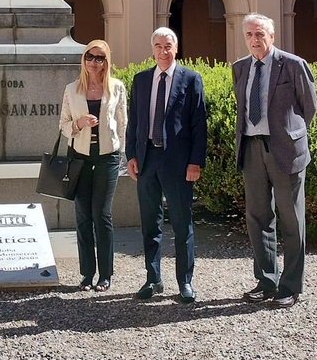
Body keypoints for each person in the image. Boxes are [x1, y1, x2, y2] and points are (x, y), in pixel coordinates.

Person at [232, 13, 317, 309]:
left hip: (285, 152)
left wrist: (289, 135)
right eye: (250, 35)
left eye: (260, 34)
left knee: (291, 219)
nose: (255, 40)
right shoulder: (240, 68)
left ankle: (290, 286)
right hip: (252, 149)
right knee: (257, 218)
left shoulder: (293, 65)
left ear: (272, 36)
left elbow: (309, 106)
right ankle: (266, 279)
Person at [126, 27, 207, 302]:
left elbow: (199, 125)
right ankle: (153, 278)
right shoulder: (140, 80)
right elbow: (134, 122)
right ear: (153, 49)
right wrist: (131, 155)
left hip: (178, 162)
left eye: (168, 45)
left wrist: (196, 162)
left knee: (183, 223)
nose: (163, 50)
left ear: (176, 47)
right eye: (159, 46)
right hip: (147, 159)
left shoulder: (191, 79)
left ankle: (185, 282)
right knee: (151, 223)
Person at [59, 41, 127, 291]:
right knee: (84, 216)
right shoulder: (71, 89)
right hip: (80, 158)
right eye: (90, 56)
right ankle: (87, 274)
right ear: (84, 59)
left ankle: (105, 274)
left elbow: (123, 124)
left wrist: (125, 155)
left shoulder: (117, 88)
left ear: (106, 61)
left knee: (102, 215)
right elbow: (63, 125)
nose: (94, 62)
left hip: (108, 158)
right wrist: (80, 123)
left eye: (99, 58)